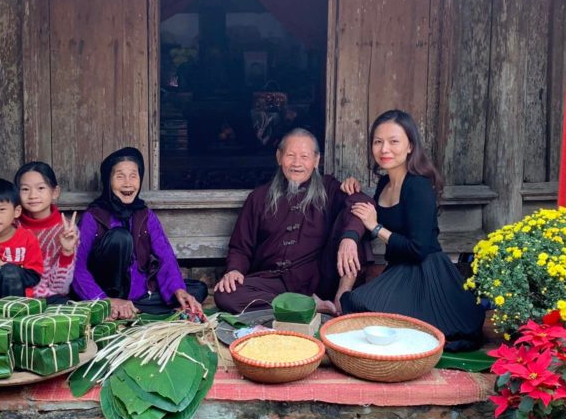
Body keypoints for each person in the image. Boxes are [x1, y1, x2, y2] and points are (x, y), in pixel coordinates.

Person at [339, 109, 485, 351]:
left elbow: (417, 249)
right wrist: (353, 188)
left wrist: (376, 227)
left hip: (427, 273)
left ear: (410, 146)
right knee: (357, 309)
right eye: (378, 142)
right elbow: (370, 214)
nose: (384, 149)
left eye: (394, 141)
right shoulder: (385, 183)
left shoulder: (418, 186)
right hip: (399, 271)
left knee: (361, 308)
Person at [214, 128, 373, 314]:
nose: (297, 163)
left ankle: (334, 298)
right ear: (279, 157)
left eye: (304, 156)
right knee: (225, 295)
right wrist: (234, 270)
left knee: (353, 225)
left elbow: (362, 202)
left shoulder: (330, 189)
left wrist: (350, 238)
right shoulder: (258, 197)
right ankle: (308, 306)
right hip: (273, 282)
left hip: (317, 281)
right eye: (290, 155)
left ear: (316, 160)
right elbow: (240, 247)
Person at [73, 147, 206, 319]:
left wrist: (178, 290)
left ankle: (131, 307)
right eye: (120, 176)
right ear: (108, 181)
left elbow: (165, 256)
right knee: (120, 237)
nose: (128, 183)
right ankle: (112, 306)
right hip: (105, 294)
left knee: (197, 290)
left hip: (141, 294)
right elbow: (76, 267)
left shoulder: (145, 214)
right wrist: (104, 300)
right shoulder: (93, 217)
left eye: (133, 175)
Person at [15, 161, 79, 304]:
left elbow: (60, 288)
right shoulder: (12, 225)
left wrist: (67, 252)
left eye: (41, 188)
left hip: (49, 298)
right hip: (15, 296)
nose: (32, 195)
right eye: (25, 189)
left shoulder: (67, 230)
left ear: (55, 192)